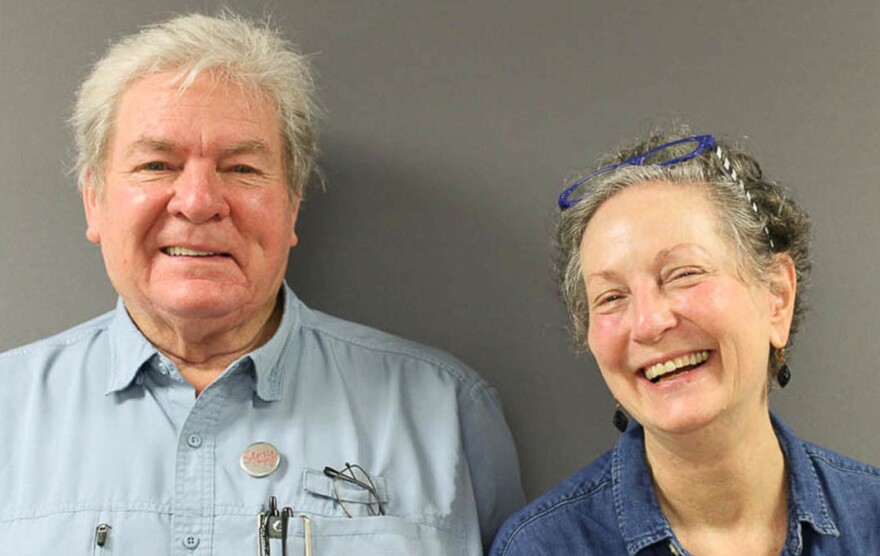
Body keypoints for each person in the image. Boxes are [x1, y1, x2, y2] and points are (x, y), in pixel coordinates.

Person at [0, 12, 523, 555]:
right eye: (157, 164)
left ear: (292, 204)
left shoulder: (444, 412)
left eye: (242, 169)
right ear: (94, 199)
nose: (199, 202)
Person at [490, 129, 880, 555]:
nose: (648, 323)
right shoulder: (545, 547)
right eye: (612, 297)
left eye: (683, 274)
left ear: (776, 297)